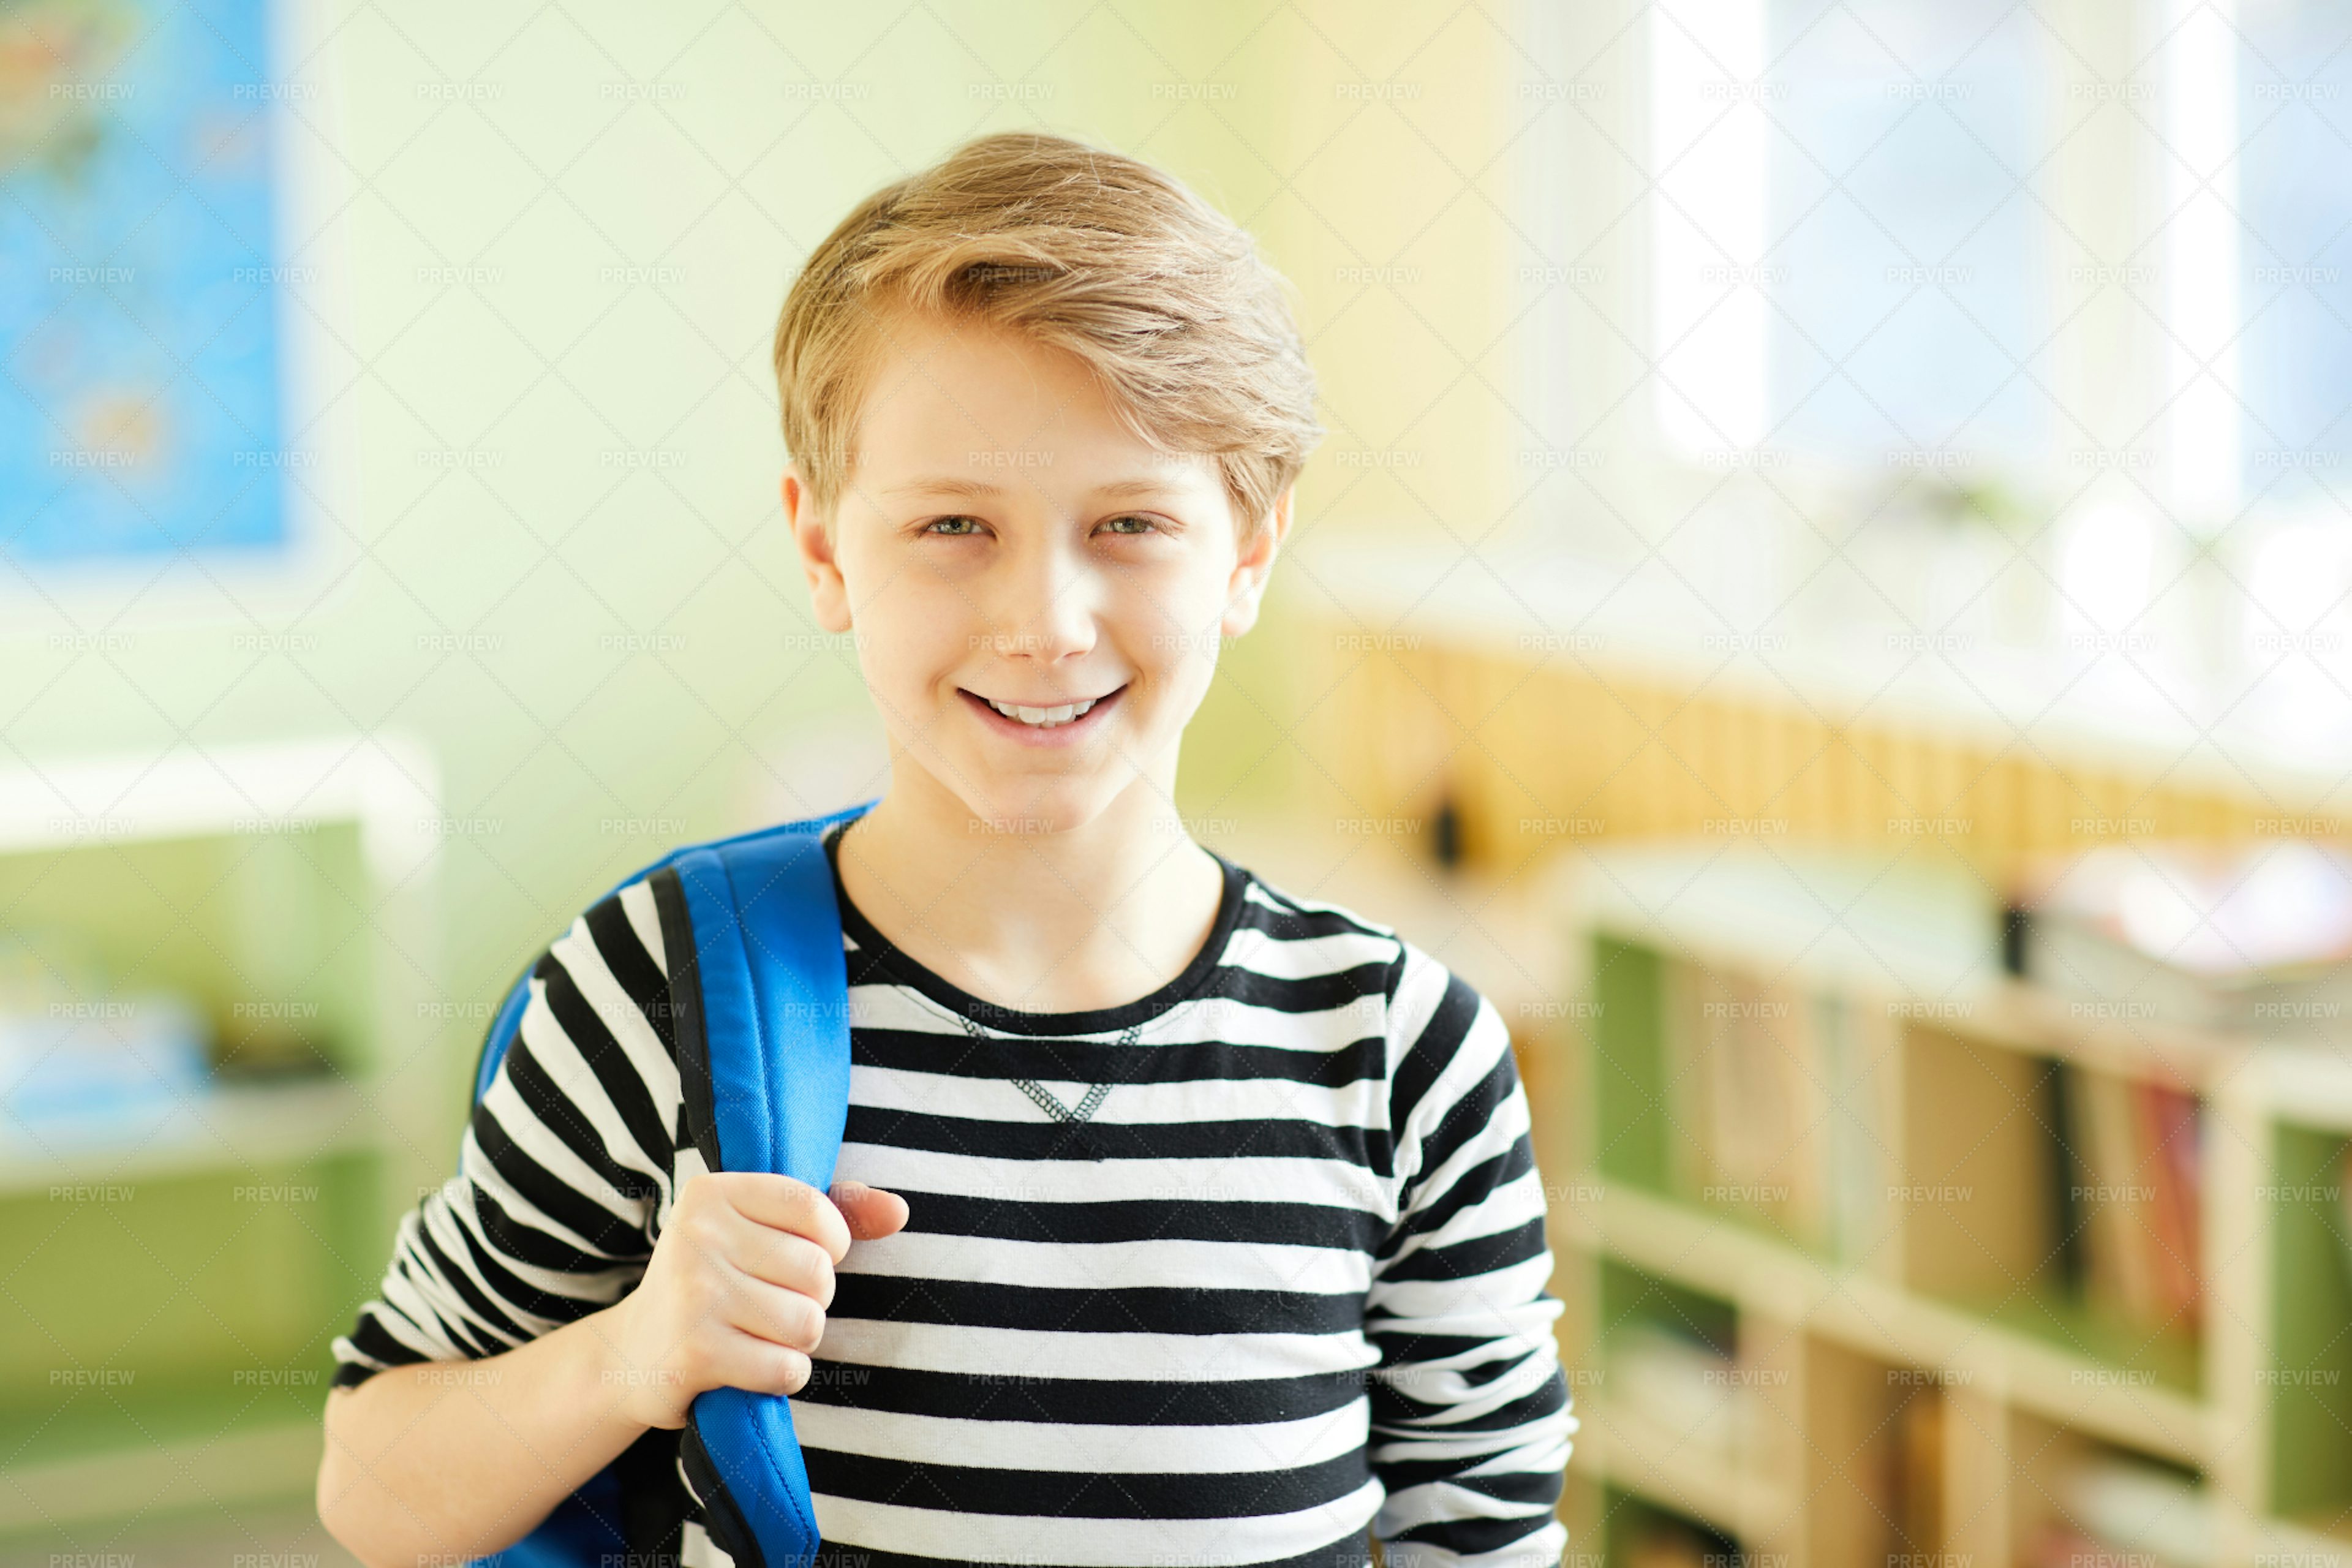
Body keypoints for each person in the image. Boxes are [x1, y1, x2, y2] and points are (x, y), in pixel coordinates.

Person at [315, 129, 1575, 1568]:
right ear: (822, 549)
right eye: (954, 524)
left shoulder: (1407, 1050)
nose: (1044, 620)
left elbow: (1482, 1529)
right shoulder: (648, 997)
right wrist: (632, 1353)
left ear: (1248, 553)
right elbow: (375, 1486)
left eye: (1131, 522)